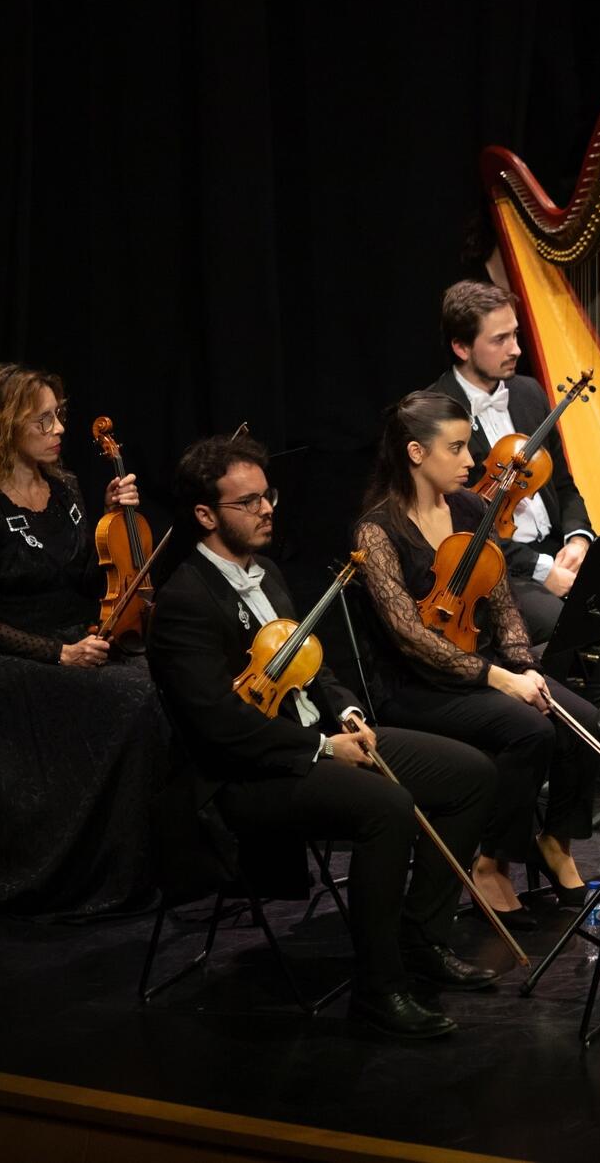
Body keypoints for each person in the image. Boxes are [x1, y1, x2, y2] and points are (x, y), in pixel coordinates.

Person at [147, 433, 498, 1039]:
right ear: (205, 515)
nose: (266, 510)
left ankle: (419, 939)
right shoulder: (184, 602)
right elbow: (218, 724)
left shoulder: (269, 572)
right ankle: (378, 989)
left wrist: (346, 711)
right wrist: (320, 748)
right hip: (253, 774)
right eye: (248, 502)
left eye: (268, 497)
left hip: (320, 743)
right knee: (388, 807)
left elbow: (314, 663)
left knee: (472, 774)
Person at [352, 390, 600, 928]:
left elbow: (504, 605)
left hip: (484, 668)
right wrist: (501, 678)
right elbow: (410, 637)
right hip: (418, 687)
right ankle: (492, 860)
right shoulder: (377, 531)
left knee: (584, 720)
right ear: (417, 453)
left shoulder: (471, 508)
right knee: (530, 730)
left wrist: (524, 666)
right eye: (459, 449)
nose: (472, 461)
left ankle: (554, 841)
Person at [0, 365, 167, 917]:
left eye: (58, 416)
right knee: (133, 700)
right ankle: (107, 867)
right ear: (4, 426)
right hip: (5, 661)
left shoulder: (65, 488)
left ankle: (155, 855)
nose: (58, 429)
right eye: (41, 419)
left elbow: (88, 582)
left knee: (165, 683)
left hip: (73, 636)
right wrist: (58, 654)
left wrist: (114, 523)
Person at [428, 281, 600, 704]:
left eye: (516, 335)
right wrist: (544, 570)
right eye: (500, 339)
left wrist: (578, 538)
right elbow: (458, 527)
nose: (516, 349)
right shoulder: (436, 413)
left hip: (554, 550)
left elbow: (563, 482)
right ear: (461, 347)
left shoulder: (527, 393)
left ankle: (599, 708)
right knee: (568, 624)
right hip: (499, 568)